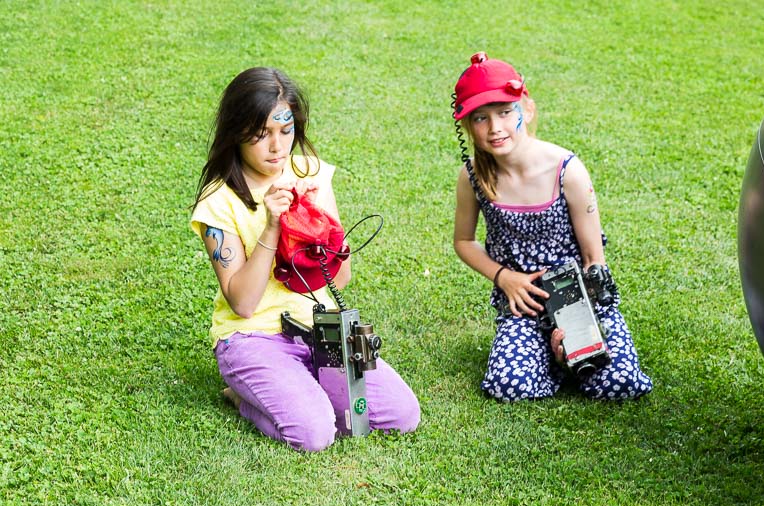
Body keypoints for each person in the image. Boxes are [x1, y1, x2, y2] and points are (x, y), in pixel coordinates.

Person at [190, 67, 419, 451]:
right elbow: (243, 303)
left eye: (286, 130)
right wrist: (272, 226)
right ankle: (240, 395)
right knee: (314, 434)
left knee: (401, 415)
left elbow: (340, 278)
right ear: (236, 132)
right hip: (253, 337)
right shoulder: (218, 203)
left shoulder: (309, 173)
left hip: (319, 327)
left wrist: (319, 223)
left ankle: (301, 386)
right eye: (261, 134)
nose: (277, 147)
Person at [451, 52, 653, 402]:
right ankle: (550, 358)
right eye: (481, 118)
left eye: (504, 112)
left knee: (621, 385)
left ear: (526, 109)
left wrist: (579, 320)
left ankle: (564, 357)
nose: (495, 128)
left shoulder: (567, 170)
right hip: (524, 306)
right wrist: (504, 278)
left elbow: (594, 258)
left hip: (580, 298)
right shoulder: (473, 177)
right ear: (468, 125)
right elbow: (464, 241)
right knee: (508, 386)